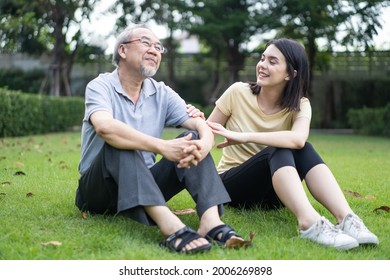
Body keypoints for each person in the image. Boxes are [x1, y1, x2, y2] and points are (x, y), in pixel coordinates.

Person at [75, 24, 246, 254]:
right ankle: (171, 227)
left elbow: (197, 122)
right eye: (146, 43)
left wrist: (204, 143)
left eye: (158, 46)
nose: (155, 50)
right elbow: (105, 128)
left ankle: (210, 221)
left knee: (191, 138)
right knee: (120, 140)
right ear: (123, 51)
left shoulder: (161, 92)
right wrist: (162, 146)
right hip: (99, 190)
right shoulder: (100, 86)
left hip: (145, 184)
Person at [206, 38, 379, 250]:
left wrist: (244, 136)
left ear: (290, 74)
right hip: (230, 187)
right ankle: (309, 222)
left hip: (276, 195)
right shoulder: (237, 92)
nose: (262, 65)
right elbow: (207, 131)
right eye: (262, 59)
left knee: (303, 147)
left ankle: (347, 218)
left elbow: (298, 139)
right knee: (278, 148)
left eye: (272, 61)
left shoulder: (300, 104)